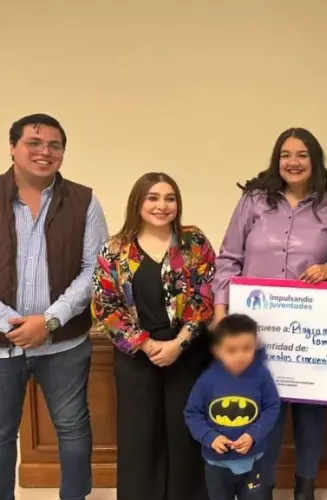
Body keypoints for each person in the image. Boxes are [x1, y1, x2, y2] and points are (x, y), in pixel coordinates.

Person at [214, 127, 327, 500]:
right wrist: (220, 312)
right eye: (285, 154)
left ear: (314, 161)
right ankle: (260, 488)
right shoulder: (253, 202)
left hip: (312, 330)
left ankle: (305, 489)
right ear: (276, 161)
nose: (293, 162)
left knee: (311, 412)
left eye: (301, 155)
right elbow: (229, 258)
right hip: (257, 330)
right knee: (265, 408)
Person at [0, 114, 108, 500]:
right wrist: (10, 322)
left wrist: (49, 320)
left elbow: (95, 269)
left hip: (63, 343)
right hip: (2, 344)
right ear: (13, 147)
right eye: (34, 142)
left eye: (55, 145)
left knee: (73, 429)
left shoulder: (84, 200)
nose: (45, 151)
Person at [91, 172, 215, 500]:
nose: (162, 206)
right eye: (153, 198)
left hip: (187, 352)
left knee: (185, 433)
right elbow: (105, 306)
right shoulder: (114, 249)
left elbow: (205, 297)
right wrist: (144, 344)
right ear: (138, 202)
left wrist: (178, 344)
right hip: (136, 356)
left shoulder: (195, 242)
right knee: (140, 438)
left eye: (170, 198)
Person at [185, 314, 280, 500]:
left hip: (254, 460)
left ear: (255, 346)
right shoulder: (207, 380)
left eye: (246, 349)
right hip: (217, 464)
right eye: (231, 350)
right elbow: (192, 413)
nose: (240, 356)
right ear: (217, 350)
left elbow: (272, 407)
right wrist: (210, 437)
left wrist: (253, 434)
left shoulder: (261, 375)